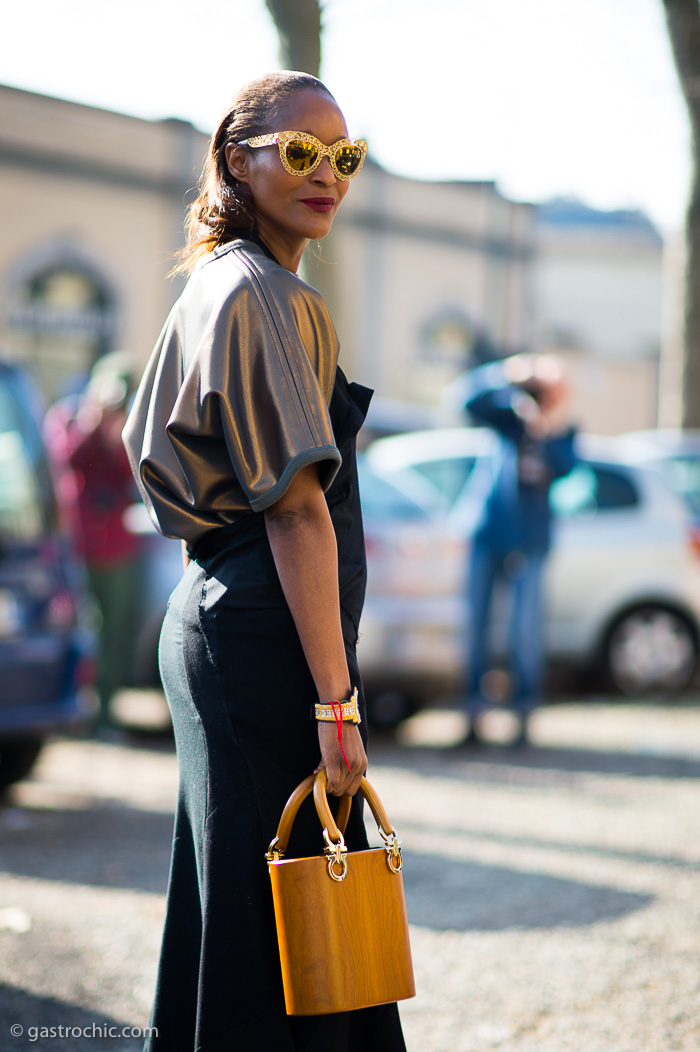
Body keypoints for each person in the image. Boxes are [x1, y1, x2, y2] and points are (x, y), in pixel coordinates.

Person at [122, 72, 406, 1052]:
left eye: (344, 156)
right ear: (236, 159)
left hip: (217, 615)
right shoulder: (268, 294)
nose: (326, 172)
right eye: (298, 151)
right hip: (261, 632)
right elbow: (297, 513)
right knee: (290, 920)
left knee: (241, 908)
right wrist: (338, 703)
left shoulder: (215, 283)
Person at [461, 353, 576, 746]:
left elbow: (567, 468)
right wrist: (508, 372)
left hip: (530, 541)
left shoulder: (562, 432)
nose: (536, 395)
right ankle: (474, 716)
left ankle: (524, 719)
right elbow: (464, 399)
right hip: (488, 533)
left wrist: (547, 424)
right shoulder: (505, 419)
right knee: (475, 627)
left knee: (523, 631)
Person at [56, 354, 139, 730]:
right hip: (79, 545)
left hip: (118, 549)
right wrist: (92, 424)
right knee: (75, 628)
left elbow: (138, 475)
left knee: (115, 632)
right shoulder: (72, 418)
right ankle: (71, 709)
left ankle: (105, 713)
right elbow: (63, 459)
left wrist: (118, 437)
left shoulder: (130, 427)